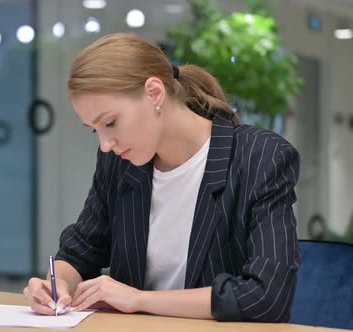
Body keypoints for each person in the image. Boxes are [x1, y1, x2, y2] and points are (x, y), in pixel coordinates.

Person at [23, 33, 300, 322]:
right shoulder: (118, 162)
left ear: (154, 93)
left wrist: (139, 299)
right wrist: (57, 287)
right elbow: (80, 252)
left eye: (111, 123)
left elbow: (267, 296)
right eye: (96, 129)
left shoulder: (260, 157)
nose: (105, 144)